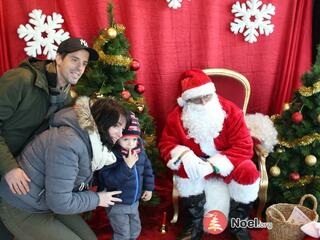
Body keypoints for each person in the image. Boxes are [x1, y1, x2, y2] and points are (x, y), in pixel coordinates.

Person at [0, 37, 98, 239]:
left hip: (20, 173)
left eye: (84, 63)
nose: (80, 68)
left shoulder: (66, 97)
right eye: (74, 60)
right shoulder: (21, 79)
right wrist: (9, 167)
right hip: (6, 165)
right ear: (59, 58)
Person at [0, 96, 128, 240]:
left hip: (46, 202)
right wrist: (97, 199)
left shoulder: (91, 143)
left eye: (122, 129)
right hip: (22, 206)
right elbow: (60, 202)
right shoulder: (69, 143)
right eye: (116, 126)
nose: (120, 134)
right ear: (102, 122)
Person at [159, 69, 260, 240]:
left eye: (207, 96)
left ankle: (239, 223)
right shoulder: (177, 117)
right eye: (198, 99)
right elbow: (166, 145)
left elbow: (244, 146)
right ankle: (195, 222)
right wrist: (184, 154)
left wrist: (214, 165)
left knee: (249, 170)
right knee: (185, 168)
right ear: (187, 100)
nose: (204, 102)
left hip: (228, 160)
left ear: (212, 92)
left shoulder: (230, 111)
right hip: (196, 162)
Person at [99, 112, 155, 240]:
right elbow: (109, 180)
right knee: (122, 233)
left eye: (134, 139)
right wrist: (127, 166)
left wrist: (149, 188)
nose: (131, 144)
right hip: (118, 203)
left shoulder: (139, 152)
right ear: (118, 138)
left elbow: (147, 170)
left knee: (135, 229)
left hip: (134, 202)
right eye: (126, 139)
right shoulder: (112, 155)